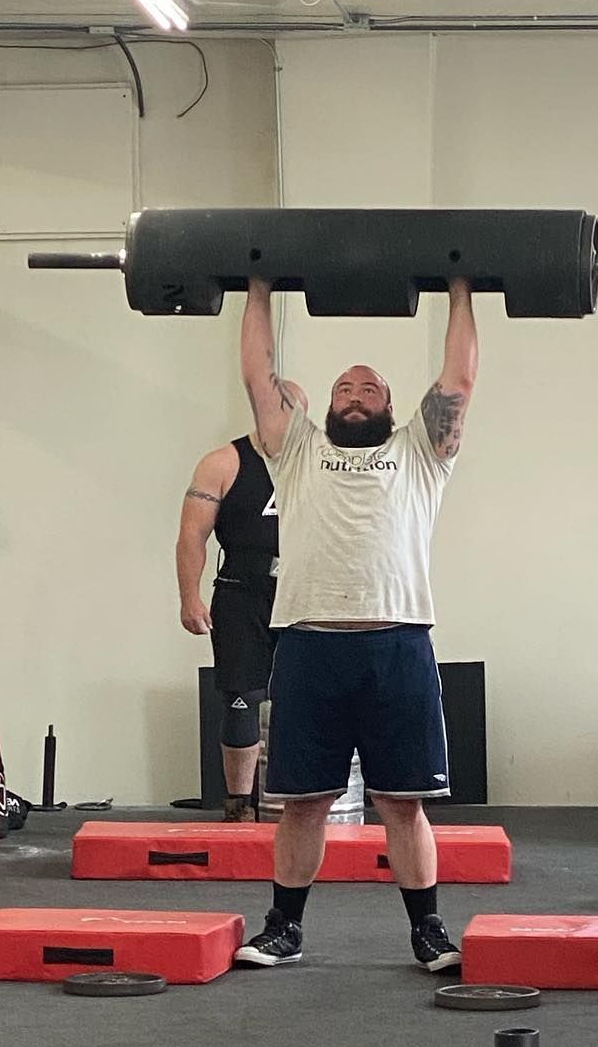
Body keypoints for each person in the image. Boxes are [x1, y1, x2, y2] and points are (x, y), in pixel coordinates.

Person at [231, 280, 477, 972]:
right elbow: (257, 374)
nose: (355, 393)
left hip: (398, 643)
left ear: (391, 408)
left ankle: (427, 930)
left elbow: (458, 377)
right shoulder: (297, 449)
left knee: (404, 803)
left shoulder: (421, 454)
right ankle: (284, 927)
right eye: (345, 387)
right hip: (309, 645)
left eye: (369, 388)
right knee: (301, 804)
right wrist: (256, 286)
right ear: (328, 405)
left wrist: (460, 289)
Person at [176, 430, 281, 821]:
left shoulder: (320, 461)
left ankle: (312, 805)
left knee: (312, 702)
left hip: (306, 596)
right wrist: (190, 597)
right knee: (242, 698)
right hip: (241, 595)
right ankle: (240, 808)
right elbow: (192, 534)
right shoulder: (223, 462)